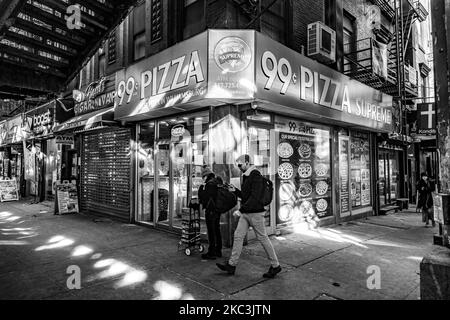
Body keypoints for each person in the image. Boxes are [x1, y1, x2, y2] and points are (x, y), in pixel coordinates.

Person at [216, 154, 281, 278]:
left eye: (240, 165)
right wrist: (235, 191)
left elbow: (255, 197)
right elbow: (246, 197)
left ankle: (275, 266)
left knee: (262, 238)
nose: (239, 167)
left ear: (247, 163)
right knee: (238, 236)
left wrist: (240, 210)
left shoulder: (255, 175)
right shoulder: (247, 176)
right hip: (247, 213)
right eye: (237, 165)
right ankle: (231, 265)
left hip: (255, 213)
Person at [198, 167, 222, 260]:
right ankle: (218, 251)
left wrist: (201, 189)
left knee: (211, 232)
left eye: (203, 176)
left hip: (211, 210)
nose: (203, 178)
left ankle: (211, 252)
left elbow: (204, 198)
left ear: (206, 175)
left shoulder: (209, 184)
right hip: (218, 209)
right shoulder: (218, 180)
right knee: (217, 229)